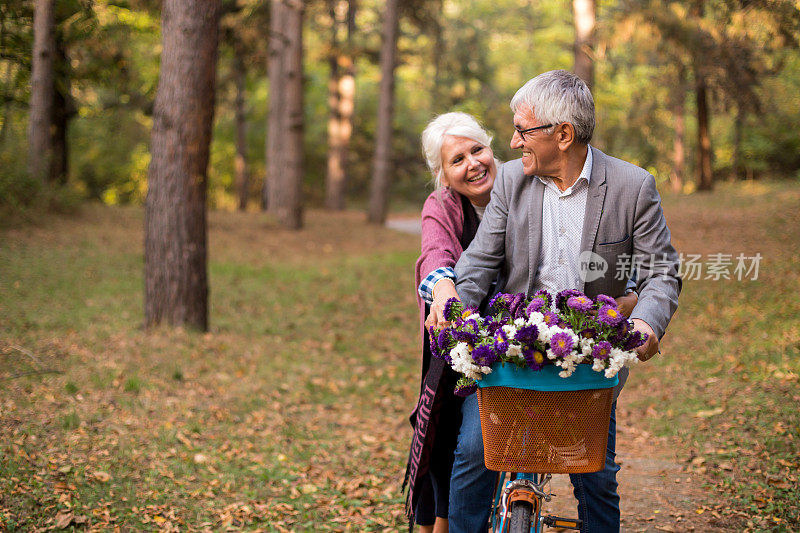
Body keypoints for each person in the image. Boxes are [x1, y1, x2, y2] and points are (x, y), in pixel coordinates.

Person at [444, 70, 682, 533]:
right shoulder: (511, 183)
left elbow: (662, 273)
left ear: (564, 134)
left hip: (590, 359)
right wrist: (455, 314)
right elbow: (477, 265)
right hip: (512, 351)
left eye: (523, 131)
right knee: (473, 456)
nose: (512, 143)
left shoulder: (633, 187)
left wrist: (649, 325)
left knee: (595, 478)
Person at [405, 111, 639, 532]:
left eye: (477, 150)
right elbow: (437, 255)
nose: (473, 163)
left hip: (552, 334)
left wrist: (630, 295)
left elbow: (603, 249)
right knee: (462, 445)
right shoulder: (444, 206)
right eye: (457, 160)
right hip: (481, 340)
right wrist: (444, 291)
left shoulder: (531, 183)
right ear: (443, 175)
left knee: (594, 466)